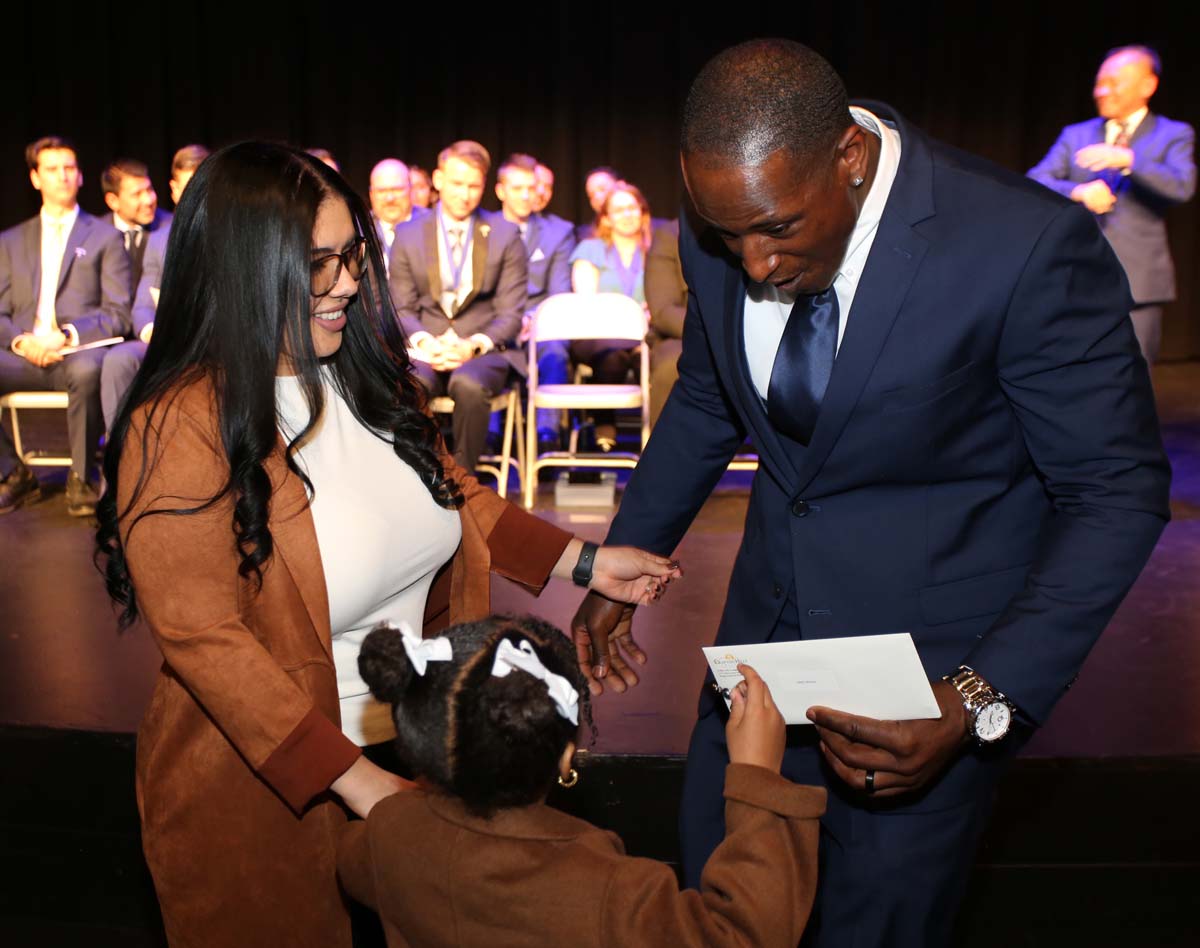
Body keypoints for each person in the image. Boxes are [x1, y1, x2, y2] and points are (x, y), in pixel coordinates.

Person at [571, 39, 1170, 948]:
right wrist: (623, 562)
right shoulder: (722, 222)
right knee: (718, 909)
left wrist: (974, 695)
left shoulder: (1022, 245)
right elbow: (705, 397)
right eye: (729, 237)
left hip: (925, 698)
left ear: (848, 159)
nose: (754, 264)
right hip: (759, 669)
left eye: (776, 230)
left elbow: (1116, 493)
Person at [94, 141, 680, 948]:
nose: (345, 283)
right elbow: (207, 642)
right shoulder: (180, 423)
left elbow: (453, 495)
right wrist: (364, 784)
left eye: (352, 257)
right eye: (317, 263)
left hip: (409, 765)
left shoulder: (363, 374)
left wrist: (583, 560)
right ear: (241, 268)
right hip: (271, 791)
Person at [337, 614, 826, 948]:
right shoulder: (610, 891)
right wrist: (758, 779)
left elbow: (357, 863)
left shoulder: (386, 835)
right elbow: (742, 934)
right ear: (567, 757)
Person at [1027, 44, 1195, 364]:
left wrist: (1129, 159)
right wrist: (1078, 191)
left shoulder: (1173, 134)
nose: (1102, 90)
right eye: (1099, 82)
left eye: (1114, 82)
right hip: (1075, 271)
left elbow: (1181, 187)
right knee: (1070, 368)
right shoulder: (1076, 135)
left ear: (1148, 85)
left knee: (1134, 373)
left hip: (1139, 279)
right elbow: (1035, 179)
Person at [0, 136, 130, 516]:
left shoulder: (106, 237)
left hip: (73, 354)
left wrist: (66, 336)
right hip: (25, 354)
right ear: (36, 178)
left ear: (81, 176)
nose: (62, 177)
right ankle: (13, 473)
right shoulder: (10, 241)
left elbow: (117, 311)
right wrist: (23, 342)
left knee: (89, 371)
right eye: (53, 170)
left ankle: (82, 476)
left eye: (69, 169)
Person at [390, 140, 528, 472]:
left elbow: (511, 311)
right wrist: (426, 342)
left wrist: (472, 346)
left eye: (473, 185)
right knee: (410, 386)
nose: (464, 194)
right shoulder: (408, 234)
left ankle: (464, 484)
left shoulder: (504, 234)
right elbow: (400, 306)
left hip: (484, 350)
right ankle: (420, 476)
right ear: (437, 180)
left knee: (468, 385)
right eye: (456, 183)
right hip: (427, 347)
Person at [101, 145, 209, 430]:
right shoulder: (160, 240)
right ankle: (119, 461)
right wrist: (151, 331)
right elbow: (143, 306)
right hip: (167, 342)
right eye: (188, 189)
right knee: (119, 360)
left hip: (214, 341)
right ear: (174, 191)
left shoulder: (237, 233)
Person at [487, 152, 575, 446]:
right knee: (486, 345)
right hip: (496, 321)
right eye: (517, 189)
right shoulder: (484, 229)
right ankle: (490, 434)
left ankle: (546, 436)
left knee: (555, 350)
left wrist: (531, 319)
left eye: (531, 188)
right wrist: (508, 321)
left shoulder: (558, 232)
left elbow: (559, 291)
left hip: (539, 323)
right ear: (501, 191)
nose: (526, 196)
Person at [569, 180, 652, 450]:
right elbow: (587, 303)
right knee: (613, 356)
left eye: (632, 208)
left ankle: (659, 435)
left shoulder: (657, 250)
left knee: (652, 357)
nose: (627, 215)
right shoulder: (590, 250)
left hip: (647, 334)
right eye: (618, 210)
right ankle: (604, 420)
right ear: (606, 218)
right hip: (598, 332)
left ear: (642, 212)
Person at [643, 218, 687, 427]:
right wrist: (719, 336)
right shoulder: (671, 235)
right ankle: (668, 458)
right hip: (685, 334)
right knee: (674, 365)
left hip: (753, 334)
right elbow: (663, 311)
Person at [368, 158, 429, 276]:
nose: (390, 198)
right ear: (371, 194)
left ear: (411, 190)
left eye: (397, 190)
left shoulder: (431, 224)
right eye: (382, 191)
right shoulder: (359, 228)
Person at [574, 164, 620, 242]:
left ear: (620, 185)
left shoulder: (645, 228)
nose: (597, 197)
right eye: (591, 195)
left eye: (602, 189)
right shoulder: (584, 236)